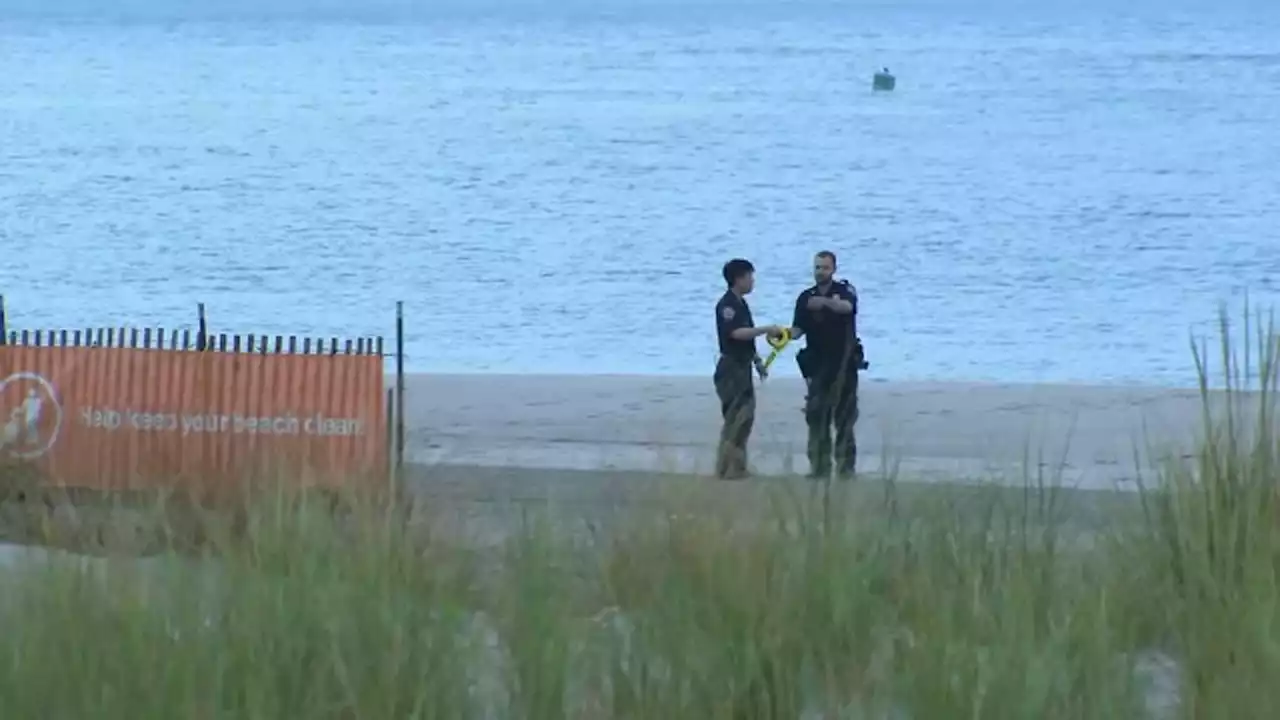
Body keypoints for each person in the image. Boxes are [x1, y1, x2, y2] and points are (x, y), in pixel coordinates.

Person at [790, 250, 867, 480]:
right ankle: (819, 467)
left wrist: (824, 302)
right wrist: (780, 334)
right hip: (817, 365)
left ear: (833, 269)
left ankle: (845, 468)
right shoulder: (805, 297)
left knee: (844, 418)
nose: (820, 272)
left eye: (824, 267)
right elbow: (797, 329)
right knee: (816, 416)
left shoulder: (844, 291)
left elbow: (847, 308)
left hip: (843, 364)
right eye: (817, 267)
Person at [714, 258, 783, 479]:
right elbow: (736, 333)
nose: (752, 281)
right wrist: (766, 329)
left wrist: (757, 361)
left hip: (743, 366)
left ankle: (738, 466)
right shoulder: (727, 305)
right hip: (731, 368)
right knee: (736, 417)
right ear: (738, 279)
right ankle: (725, 468)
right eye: (749, 277)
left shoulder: (741, 303)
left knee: (746, 418)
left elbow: (746, 340)